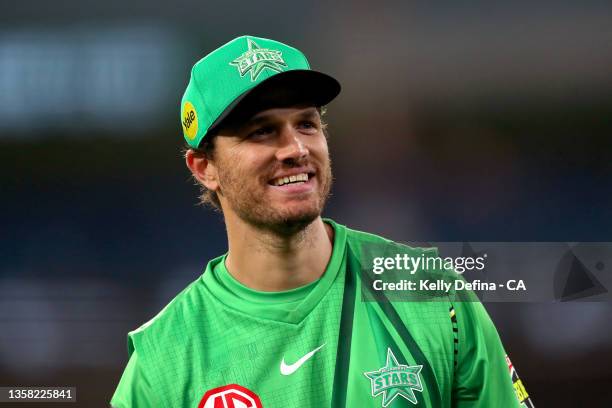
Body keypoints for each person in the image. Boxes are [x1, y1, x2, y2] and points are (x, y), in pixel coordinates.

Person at [111, 35, 533, 408]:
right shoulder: (162, 358)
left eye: (307, 124)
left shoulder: (431, 295)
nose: (295, 148)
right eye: (261, 131)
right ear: (204, 167)